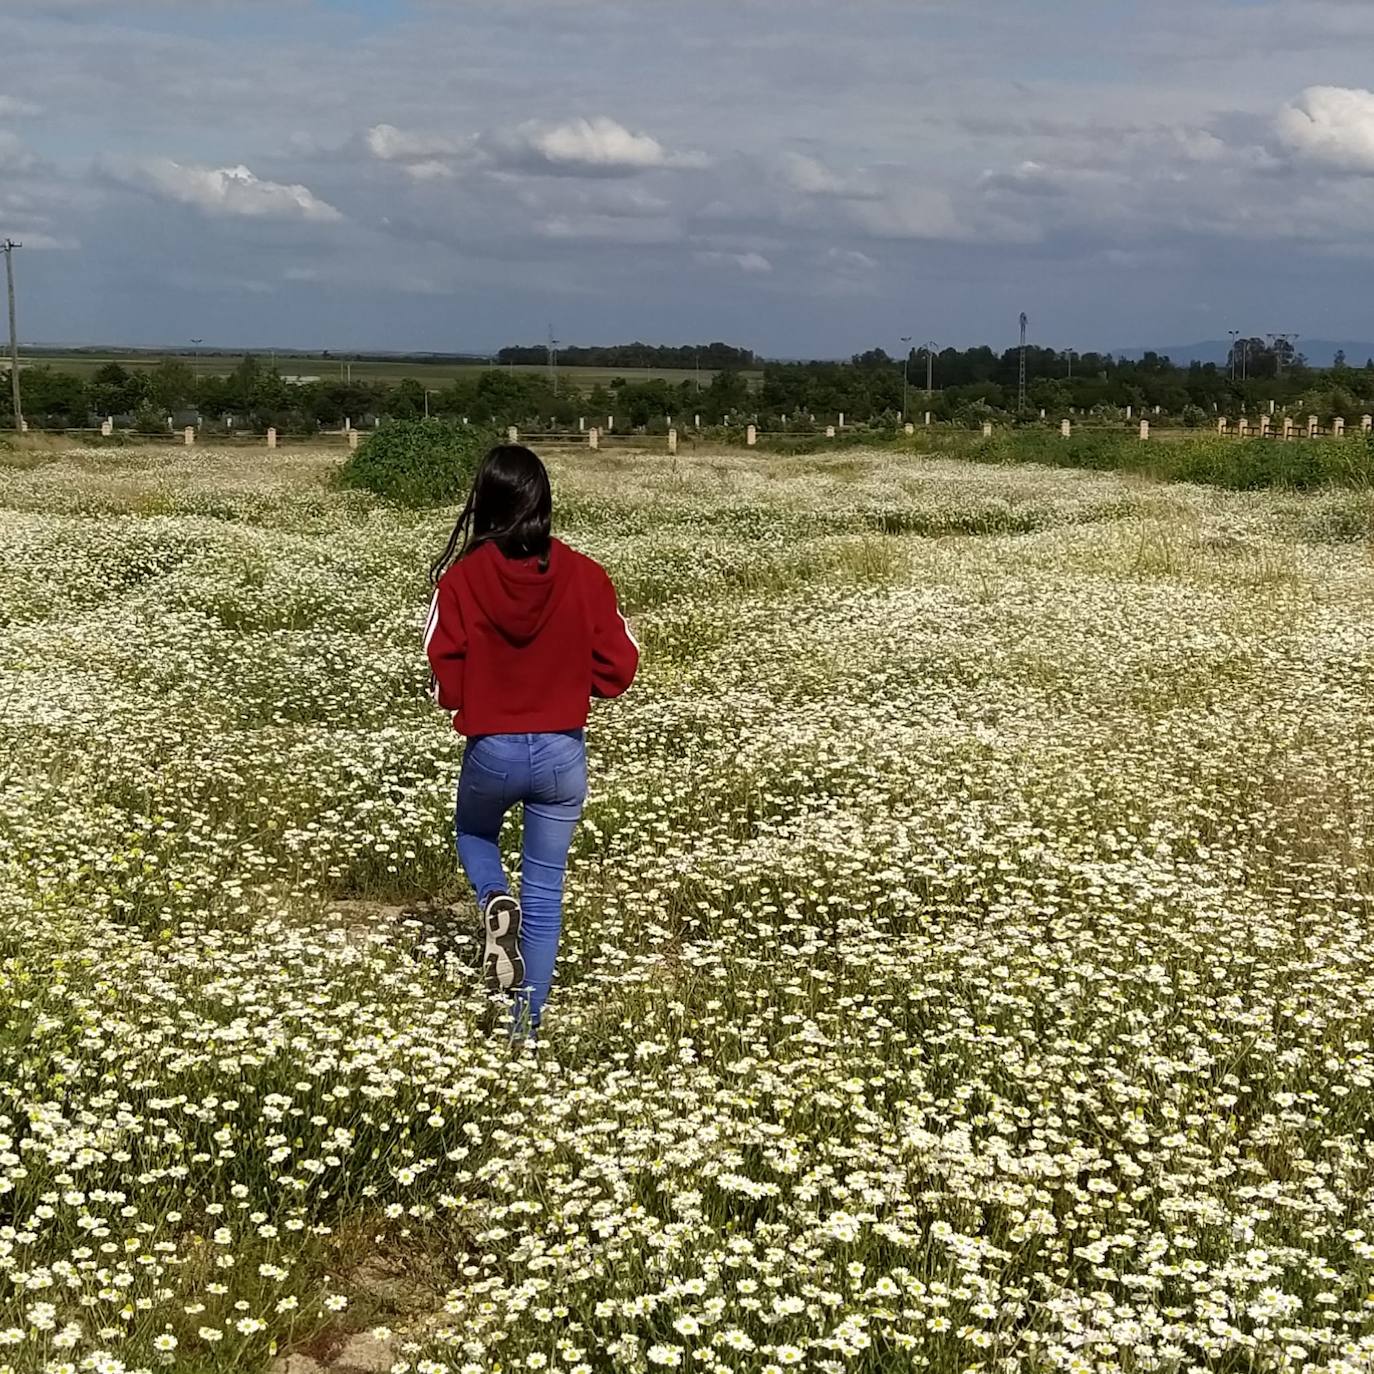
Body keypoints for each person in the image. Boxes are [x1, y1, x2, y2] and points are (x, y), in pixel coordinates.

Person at [425, 444, 638, 1038]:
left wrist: (471, 698)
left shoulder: (461, 580)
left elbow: (442, 668)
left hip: (492, 747)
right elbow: (620, 667)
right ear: (544, 502)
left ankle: (494, 896)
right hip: (562, 751)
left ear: (485, 504)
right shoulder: (586, 574)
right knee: (545, 890)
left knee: (472, 831)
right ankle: (527, 1028)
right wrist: (576, 683)